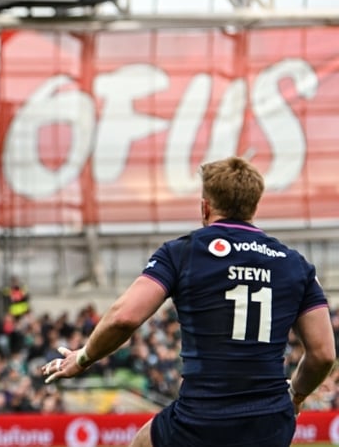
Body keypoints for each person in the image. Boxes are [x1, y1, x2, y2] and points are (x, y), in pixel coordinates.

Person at [42, 156, 336, 447]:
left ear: (205, 206)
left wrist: (83, 358)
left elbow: (124, 317)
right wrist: (296, 396)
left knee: (143, 442)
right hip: (270, 420)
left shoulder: (182, 253)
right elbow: (323, 353)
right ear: (254, 206)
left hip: (203, 418)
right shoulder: (295, 265)